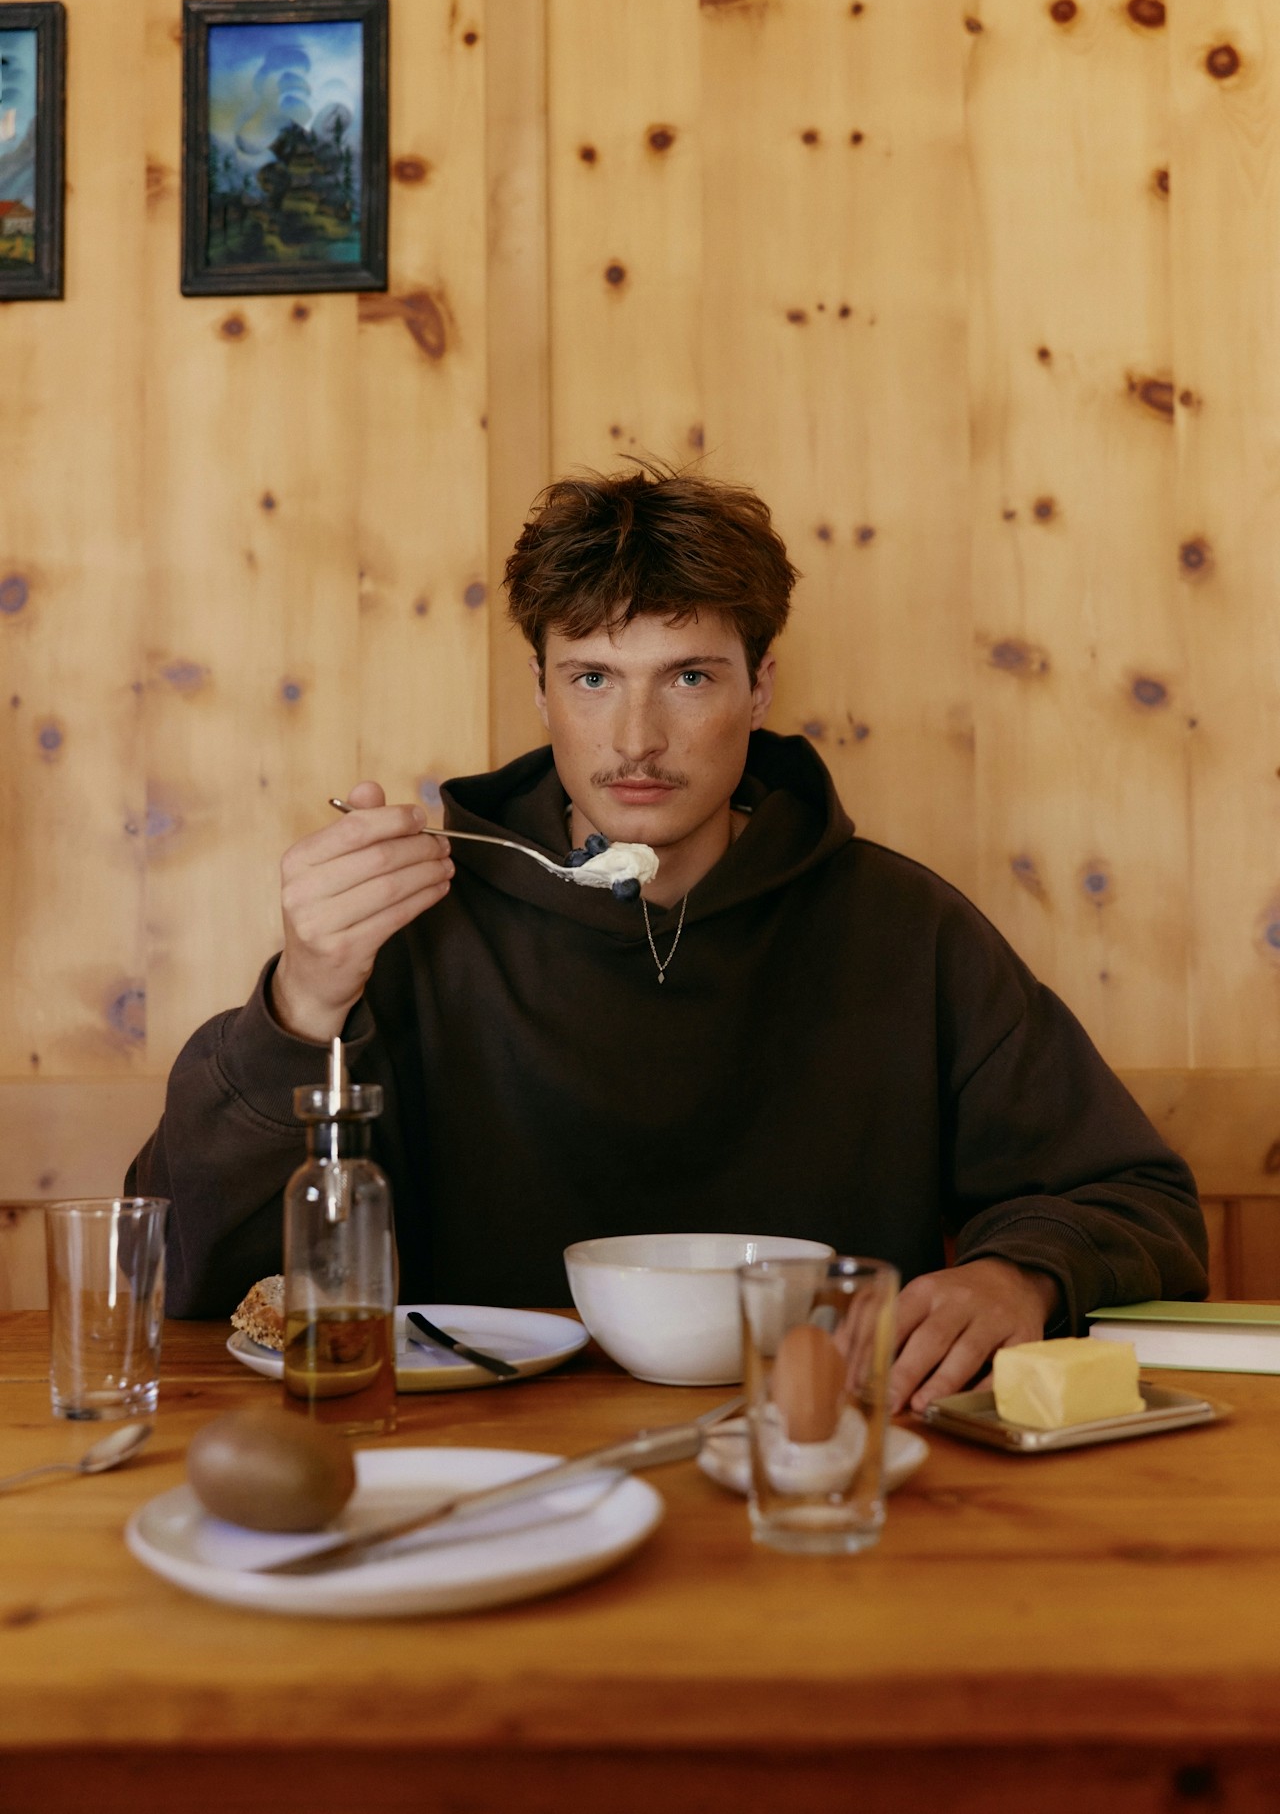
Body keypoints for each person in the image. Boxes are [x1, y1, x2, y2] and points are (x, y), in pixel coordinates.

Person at [128, 464, 1207, 1414]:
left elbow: (1135, 1198)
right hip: (475, 1454)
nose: (636, 740)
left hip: (820, 1446)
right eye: (593, 678)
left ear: (759, 686)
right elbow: (186, 1271)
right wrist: (303, 999)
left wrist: (1021, 1273)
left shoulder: (903, 925)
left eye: (688, 677)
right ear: (541, 690)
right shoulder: (416, 929)